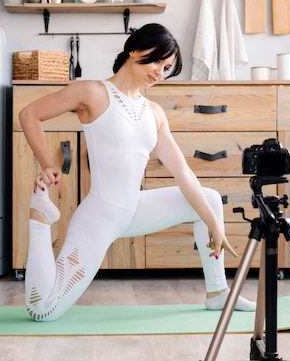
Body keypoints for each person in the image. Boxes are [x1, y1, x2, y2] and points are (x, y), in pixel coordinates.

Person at [19, 23, 256, 322]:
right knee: (43, 310)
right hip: (100, 217)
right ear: (133, 50)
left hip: (134, 210)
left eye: (167, 67)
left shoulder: (154, 112)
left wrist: (215, 225)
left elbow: (182, 171)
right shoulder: (93, 92)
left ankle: (218, 293)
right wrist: (47, 164)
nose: (160, 72)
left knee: (208, 200)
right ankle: (40, 218)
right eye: (157, 60)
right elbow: (29, 114)